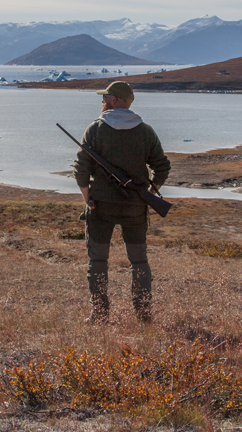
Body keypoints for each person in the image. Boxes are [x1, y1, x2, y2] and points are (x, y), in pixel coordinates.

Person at [72, 81, 171, 323]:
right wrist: (148, 192)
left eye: (105, 97)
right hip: (136, 208)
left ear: (115, 100)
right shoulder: (146, 130)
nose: (102, 101)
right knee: (139, 261)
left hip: (101, 208)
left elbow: (80, 170)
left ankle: (100, 313)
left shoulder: (95, 129)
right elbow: (162, 167)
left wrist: (89, 200)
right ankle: (143, 313)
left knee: (97, 261)